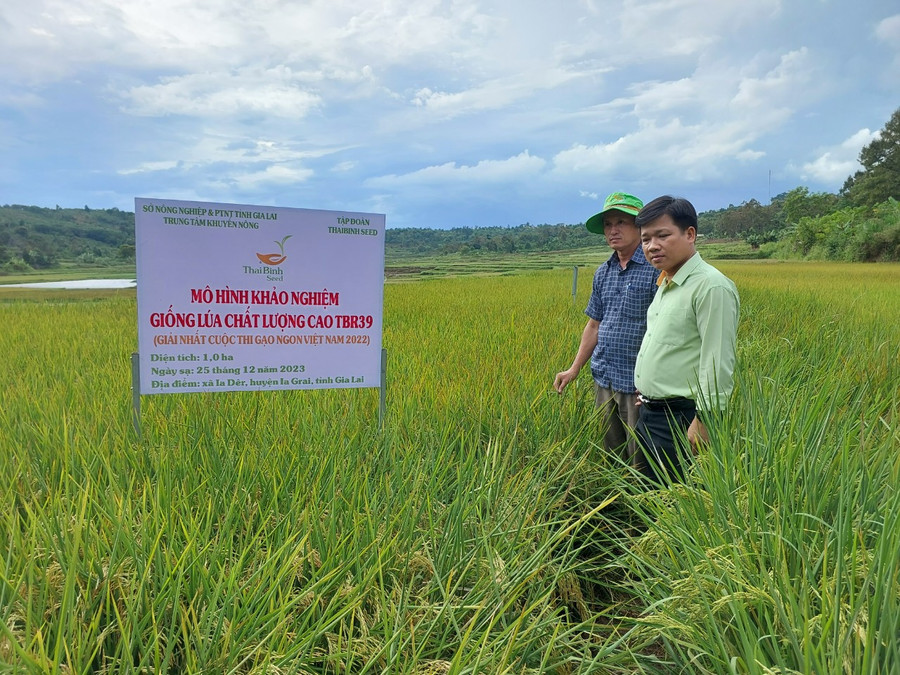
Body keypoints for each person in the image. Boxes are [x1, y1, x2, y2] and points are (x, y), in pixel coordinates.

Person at [632, 195, 740, 485]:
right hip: (651, 412)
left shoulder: (711, 286)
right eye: (645, 239)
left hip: (683, 420)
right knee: (648, 494)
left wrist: (704, 421)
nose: (652, 246)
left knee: (673, 502)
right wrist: (649, 392)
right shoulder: (667, 282)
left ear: (690, 234)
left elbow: (717, 361)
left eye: (662, 235)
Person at [554, 192, 658, 464]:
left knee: (642, 456)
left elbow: (667, 329)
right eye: (608, 224)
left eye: (621, 222)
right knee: (610, 454)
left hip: (639, 384)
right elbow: (594, 324)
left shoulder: (655, 269)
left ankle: (642, 504)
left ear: (639, 226)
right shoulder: (603, 272)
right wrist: (574, 368)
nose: (613, 230)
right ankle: (613, 501)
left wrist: (656, 383)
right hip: (605, 378)